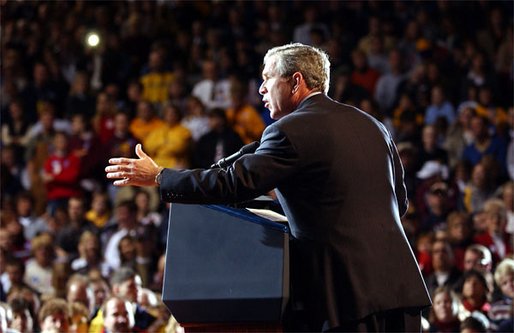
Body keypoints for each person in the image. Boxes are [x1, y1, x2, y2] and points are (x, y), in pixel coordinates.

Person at [106, 43, 431, 332]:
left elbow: (235, 183)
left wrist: (161, 176)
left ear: (296, 81)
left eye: (267, 78)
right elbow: (398, 203)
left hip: (347, 293)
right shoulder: (373, 126)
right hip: (401, 288)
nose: (260, 89)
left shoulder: (290, 131)